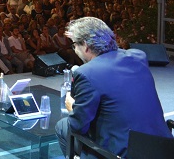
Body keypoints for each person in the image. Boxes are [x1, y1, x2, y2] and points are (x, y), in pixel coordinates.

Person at [55, 17, 173, 158]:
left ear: (85, 45)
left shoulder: (86, 73)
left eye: (74, 45)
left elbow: (77, 126)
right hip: (163, 147)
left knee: (63, 126)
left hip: (124, 153)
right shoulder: (138, 57)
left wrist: (72, 107)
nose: (74, 49)